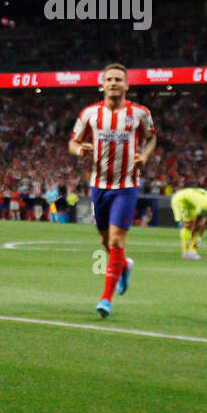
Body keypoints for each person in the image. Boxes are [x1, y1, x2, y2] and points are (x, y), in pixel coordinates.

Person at [68, 64, 157, 318]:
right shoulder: (89, 114)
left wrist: (145, 155)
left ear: (127, 85)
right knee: (105, 242)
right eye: (110, 79)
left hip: (126, 186)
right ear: (103, 84)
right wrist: (78, 149)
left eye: (119, 79)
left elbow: (152, 137)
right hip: (99, 186)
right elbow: (73, 141)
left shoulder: (140, 113)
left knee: (117, 240)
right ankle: (125, 265)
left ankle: (105, 299)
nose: (114, 83)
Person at [170, 186, 207, 259]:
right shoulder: (204, 205)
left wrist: (200, 237)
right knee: (187, 225)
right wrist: (191, 238)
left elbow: (205, 223)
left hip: (191, 203)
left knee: (198, 226)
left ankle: (192, 252)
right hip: (181, 200)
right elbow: (195, 224)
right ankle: (186, 252)